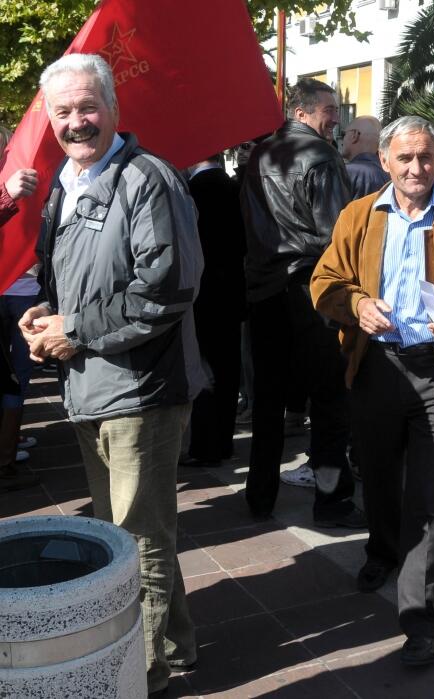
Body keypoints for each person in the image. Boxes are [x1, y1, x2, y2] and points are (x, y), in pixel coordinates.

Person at [19, 53, 204, 694]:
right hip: (90, 384)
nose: (77, 122)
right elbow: (65, 278)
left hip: (141, 388)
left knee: (137, 537)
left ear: (115, 109)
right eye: (63, 111)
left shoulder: (148, 178)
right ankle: (173, 646)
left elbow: (169, 286)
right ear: (48, 119)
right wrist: (48, 312)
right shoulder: (67, 183)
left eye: (87, 107)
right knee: (126, 532)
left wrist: (76, 328)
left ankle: (145, 668)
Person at [311, 116, 434, 666]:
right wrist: (356, 304)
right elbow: (324, 282)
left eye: (425, 157)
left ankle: (422, 619)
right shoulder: (359, 216)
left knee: (430, 497)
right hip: (375, 366)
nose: (416, 168)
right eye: (404, 158)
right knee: (376, 475)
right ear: (385, 162)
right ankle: (381, 549)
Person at [240, 78, 364, 527]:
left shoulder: (258, 155)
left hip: (265, 289)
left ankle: (260, 495)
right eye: (330, 109)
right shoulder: (321, 156)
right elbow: (339, 233)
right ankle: (332, 502)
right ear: (303, 112)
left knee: (269, 400)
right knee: (330, 397)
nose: (335, 117)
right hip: (311, 288)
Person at [181, 155, 246, 468]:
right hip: (231, 292)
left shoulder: (198, 189)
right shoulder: (230, 185)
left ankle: (207, 445)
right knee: (227, 368)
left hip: (204, 295)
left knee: (205, 367)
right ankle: (222, 442)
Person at [1, 128, 41, 491]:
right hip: (13, 291)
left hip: (22, 289)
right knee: (13, 375)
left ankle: (8, 450)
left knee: (17, 373)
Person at [341, 115, 389, 198]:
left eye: (343, 134)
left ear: (354, 135)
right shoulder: (389, 174)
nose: (342, 140)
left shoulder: (346, 172)